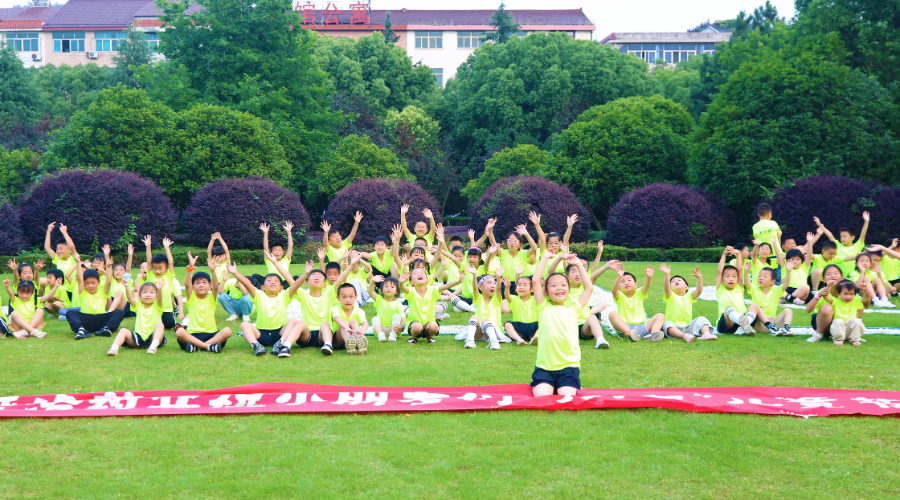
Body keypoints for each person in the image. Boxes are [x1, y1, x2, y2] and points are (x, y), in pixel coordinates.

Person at [530, 248, 593, 397]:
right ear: (546, 292)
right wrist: (545, 257)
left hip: (568, 366)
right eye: (553, 285)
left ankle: (570, 384)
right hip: (545, 367)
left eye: (563, 285)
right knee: (542, 397)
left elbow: (589, 288)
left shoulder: (574, 309)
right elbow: (535, 281)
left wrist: (578, 264)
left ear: (568, 290)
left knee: (567, 397)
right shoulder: (543, 307)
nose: (559, 288)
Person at [269, 254, 355, 356]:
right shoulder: (303, 294)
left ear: (324, 284)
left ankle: (328, 345)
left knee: (325, 324)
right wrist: (275, 263)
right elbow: (290, 279)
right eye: (313, 276)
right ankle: (286, 347)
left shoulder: (328, 295)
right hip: (307, 335)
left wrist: (351, 265)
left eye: (320, 277)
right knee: (300, 322)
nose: (316, 277)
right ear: (307, 283)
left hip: (322, 336)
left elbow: (340, 279)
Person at [230, 254, 302, 357]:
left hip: (280, 333)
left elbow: (294, 283)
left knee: (293, 320)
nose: (273, 282)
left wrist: (276, 263)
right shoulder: (259, 295)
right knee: (244, 324)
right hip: (260, 334)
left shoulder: (285, 295)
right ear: (263, 287)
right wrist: (236, 273)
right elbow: (248, 284)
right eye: (269, 280)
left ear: (281, 287)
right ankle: (256, 346)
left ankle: (280, 344)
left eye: (276, 281)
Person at [402, 230, 462, 344]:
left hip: (428, 321)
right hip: (414, 321)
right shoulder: (410, 288)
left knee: (435, 325)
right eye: (416, 270)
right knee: (414, 323)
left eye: (422, 271)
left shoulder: (431, 286)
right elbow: (402, 287)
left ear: (427, 279)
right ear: (411, 280)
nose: (419, 272)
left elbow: (445, 286)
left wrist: (441, 243)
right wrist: (402, 276)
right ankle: (414, 337)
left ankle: (429, 336)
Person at [176, 253, 232, 353]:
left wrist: (212, 271)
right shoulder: (191, 298)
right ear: (193, 287)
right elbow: (187, 285)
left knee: (227, 331)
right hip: (193, 334)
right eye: (197, 283)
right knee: (180, 332)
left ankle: (197, 346)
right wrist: (190, 268)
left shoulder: (212, 298)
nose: (201, 285)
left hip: (211, 334)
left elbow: (216, 287)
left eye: (204, 282)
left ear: (209, 286)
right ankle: (209, 347)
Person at [68, 255, 125, 340]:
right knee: (70, 313)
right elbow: (80, 279)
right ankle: (81, 330)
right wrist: (78, 263)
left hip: (101, 320)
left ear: (98, 283)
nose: (91, 286)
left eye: (93, 283)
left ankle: (107, 329)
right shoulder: (82, 292)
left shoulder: (102, 292)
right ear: (84, 284)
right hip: (87, 321)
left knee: (120, 312)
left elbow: (108, 282)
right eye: (87, 283)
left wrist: (108, 267)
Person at [107, 278, 167, 355]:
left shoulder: (157, 306)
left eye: (152, 292)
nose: (148, 295)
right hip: (138, 338)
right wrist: (127, 287)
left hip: (153, 337)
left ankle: (153, 347)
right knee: (123, 330)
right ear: (140, 295)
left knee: (160, 325)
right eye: (144, 292)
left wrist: (159, 290)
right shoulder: (138, 306)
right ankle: (114, 348)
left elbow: (159, 299)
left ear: (156, 295)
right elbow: (130, 299)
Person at [660, 264, 715, 342]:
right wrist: (667, 274)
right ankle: (684, 336)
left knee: (702, 319)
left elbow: (699, 290)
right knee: (666, 323)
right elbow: (666, 288)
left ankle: (706, 334)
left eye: (679, 280)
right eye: (673, 282)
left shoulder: (690, 296)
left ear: (687, 287)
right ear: (670, 288)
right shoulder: (670, 296)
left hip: (688, 326)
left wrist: (699, 278)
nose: (676, 282)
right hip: (674, 327)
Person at [610, 264, 665, 342]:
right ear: (619, 288)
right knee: (612, 314)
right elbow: (614, 290)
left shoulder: (639, 293)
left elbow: (646, 287)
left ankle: (653, 334)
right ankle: (629, 334)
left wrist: (649, 277)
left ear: (636, 285)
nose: (626, 283)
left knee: (660, 316)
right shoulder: (620, 296)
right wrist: (619, 277)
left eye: (629, 280)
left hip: (641, 327)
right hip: (625, 328)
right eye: (622, 281)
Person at [743, 261, 793, 336]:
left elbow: (786, 284)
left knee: (788, 310)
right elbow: (747, 283)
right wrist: (746, 271)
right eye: (760, 276)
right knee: (759, 308)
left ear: (772, 281)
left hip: (773, 322)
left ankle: (786, 328)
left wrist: (789, 272)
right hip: (759, 323)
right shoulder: (754, 289)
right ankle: (770, 326)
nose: (761, 278)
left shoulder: (776, 290)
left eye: (765, 276)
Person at [462, 265, 506, 350]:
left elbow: (498, 290)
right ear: (480, 287)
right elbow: (475, 289)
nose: (493, 285)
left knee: (485, 320)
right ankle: (470, 341)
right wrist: (474, 274)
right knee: (474, 317)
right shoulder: (478, 298)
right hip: (480, 333)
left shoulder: (496, 299)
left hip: (494, 331)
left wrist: (498, 277)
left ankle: (494, 342)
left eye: (494, 283)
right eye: (489, 283)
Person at [715, 247, 756, 335]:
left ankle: (745, 325)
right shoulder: (720, 289)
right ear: (722, 279)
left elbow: (740, 270)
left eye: (734, 276)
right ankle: (744, 325)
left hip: (741, 321)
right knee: (729, 308)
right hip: (727, 324)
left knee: (754, 306)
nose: (731, 279)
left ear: (737, 279)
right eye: (727, 276)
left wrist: (738, 254)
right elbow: (719, 272)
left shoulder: (739, 287)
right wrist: (724, 254)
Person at [142, 234, 178, 330]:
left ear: (166, 267)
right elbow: (149, 262)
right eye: (155, 268)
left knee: (170, 324)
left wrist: (167, 247)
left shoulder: (168, 275)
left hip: (166, 308)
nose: (157, 271)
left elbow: (171, 262)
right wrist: (148, 246)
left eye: (160, 268)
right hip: (153, 307)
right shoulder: (151, 275)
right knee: (152, 325)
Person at [824, 279, 872, 346]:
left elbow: (866, 298)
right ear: (838, 293)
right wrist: (829, 286)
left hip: (850, 328)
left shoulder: (856, 301)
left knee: (857, 321)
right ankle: (838, 340)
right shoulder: (835, 301)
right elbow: (826, 297)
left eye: (851, 294)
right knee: (838, 321)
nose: (848, 297)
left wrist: (866, 290)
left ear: (855, 294)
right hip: (839, 328)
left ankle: (855, 340)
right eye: (845, 294)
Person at [42, 222, 78, 310]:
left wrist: (64, 232)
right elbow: (47, 248)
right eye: (57, 249)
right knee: (41, 281)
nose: (58, 251)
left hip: (69, 290)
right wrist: (48, 231)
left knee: (57, 303)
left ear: (69, 250)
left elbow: (72, 246)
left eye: (61, 249)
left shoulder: (74, 258)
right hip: (59, 288)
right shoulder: (58, 259)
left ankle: (61, 307)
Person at [805, 265, 844, 343]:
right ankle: (819, 334)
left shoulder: (847, 291)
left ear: (842, 277)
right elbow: (808, 310)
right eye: (828, 274)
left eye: (836, 273)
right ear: (823, 279)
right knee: (827, 307)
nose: (832, 276)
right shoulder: (822, 291)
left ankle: (853, 335)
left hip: (840, 323)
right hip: (823, 324)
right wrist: (818, 296)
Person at [251, 222, 294, 288]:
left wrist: (289, 232)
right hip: (270, 282)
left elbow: (290, 247)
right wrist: (265, 233)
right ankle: (263, 290)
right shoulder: (269, 260)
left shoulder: (286, 259)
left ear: (283, 252)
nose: (277, 252)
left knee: (295, 278)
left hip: (283, 283)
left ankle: (284, 290)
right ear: (271, 252)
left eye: (279, 250)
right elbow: (266, 248)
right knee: (255, 276)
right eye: (275, 250)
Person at [332, 283, 370, 355]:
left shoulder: (359, 310)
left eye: (351, 297)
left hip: (353, 335)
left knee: (354, 322)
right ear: (338, 298)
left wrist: (362, 331)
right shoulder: (335, 309)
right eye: (344, 297)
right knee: (344, 322)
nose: (348, 300)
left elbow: (365, 323)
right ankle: (349, 342)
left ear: (356, 297)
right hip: (338, 340)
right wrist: (346, 327)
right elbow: (336, 318)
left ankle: (359, 340)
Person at [502, 274, 538, 346]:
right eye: (519, 285)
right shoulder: (515, 299)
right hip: (519, 326)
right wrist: (507, 288)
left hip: (533, 325)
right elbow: (507, 296)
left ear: (532, 289)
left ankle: (535, 337)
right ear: (516, 289)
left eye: (525, 285)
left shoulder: (536, 299)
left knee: (543, 323)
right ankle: (519, 339)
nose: (521, 287)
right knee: (507, 324)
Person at [368, 275, 404, 342]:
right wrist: (372, 281)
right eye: (386, 286)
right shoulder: (379, 300)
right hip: (381, 328)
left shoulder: (398, 303)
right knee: (375, 318)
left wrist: (402, 326)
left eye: (392, 287)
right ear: (381, 290)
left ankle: (393, 335)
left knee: (397, 316)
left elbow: (402, 316)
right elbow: (371, 291)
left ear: (396, 291)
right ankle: (380, 335)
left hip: (394, 329)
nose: (388, 288)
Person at [782, 233, 815, 305]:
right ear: (788, 260)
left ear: (801, 260)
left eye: (798, 259)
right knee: (774, 286)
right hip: (787, 289)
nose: (795, 261)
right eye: (793, 259)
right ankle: (792, 299)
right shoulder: (785, 266)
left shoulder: (804, 267)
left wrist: (810, 242)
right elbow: (780, 258)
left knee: (806, 287)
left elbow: (809, 255)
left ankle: (787, 298)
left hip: (799, 290)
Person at [809, 221, 841, 289]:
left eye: (834, 254)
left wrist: (860, 256)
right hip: (813, 280)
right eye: (830, 254)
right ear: (823, 251)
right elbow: (809, 254)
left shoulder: (835, 258)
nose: (832, 256)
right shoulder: (818, 257)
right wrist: (810, 242)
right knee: (818, 271)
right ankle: (814, 290)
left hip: (824, 282)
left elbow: (847, 258)